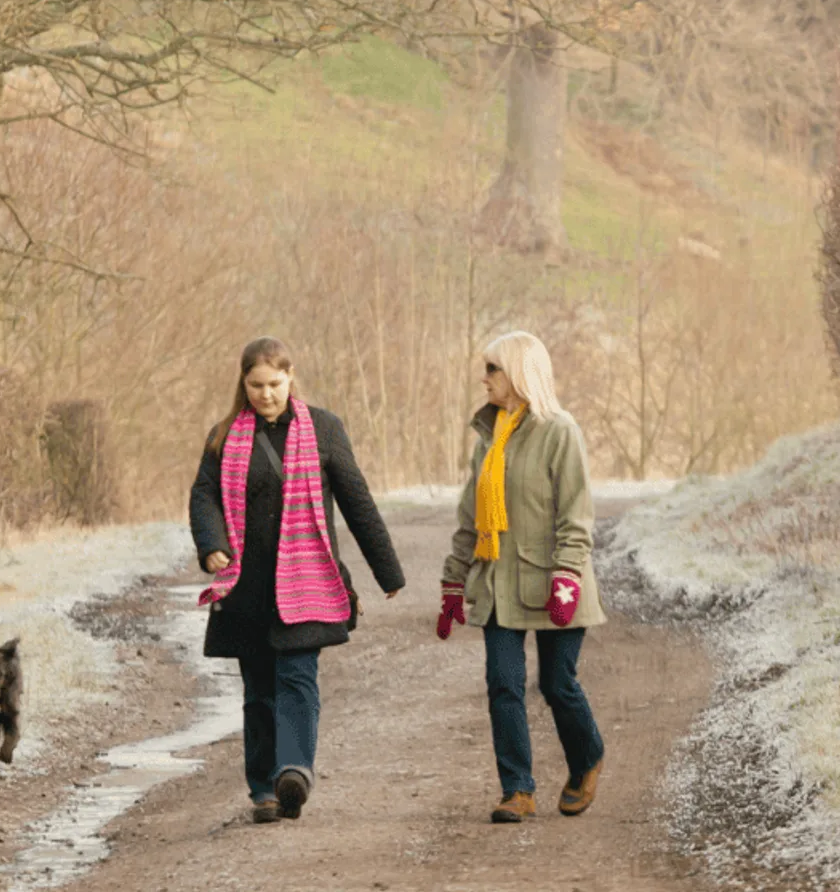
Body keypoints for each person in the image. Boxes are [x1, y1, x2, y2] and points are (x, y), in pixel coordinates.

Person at [189, 337, 404, 824]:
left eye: (274, 384)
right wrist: (211, 544)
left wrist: (385, 570)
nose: (265, 394)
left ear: (291, 378)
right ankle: (264, 789)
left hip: (307, 580)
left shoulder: (324, 429)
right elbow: (204, 496)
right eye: (255, 385)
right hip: (246, 586)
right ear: (242, 384)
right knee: (259, 689)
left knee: (298, 678)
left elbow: (357, 500)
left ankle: (294, 771)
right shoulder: (223, 436)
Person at [436, 330, 607, 824]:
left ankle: (587, 756)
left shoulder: (560, 431)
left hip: (555, 581)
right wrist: (453, 582)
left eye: (493, 368)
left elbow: (576, 515)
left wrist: (568, 576)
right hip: (497, 585)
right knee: (503, 684)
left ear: (519, 373)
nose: (484, 378)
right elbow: (470, 519)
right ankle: (518, 790)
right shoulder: (488, 437)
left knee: (557, 684)